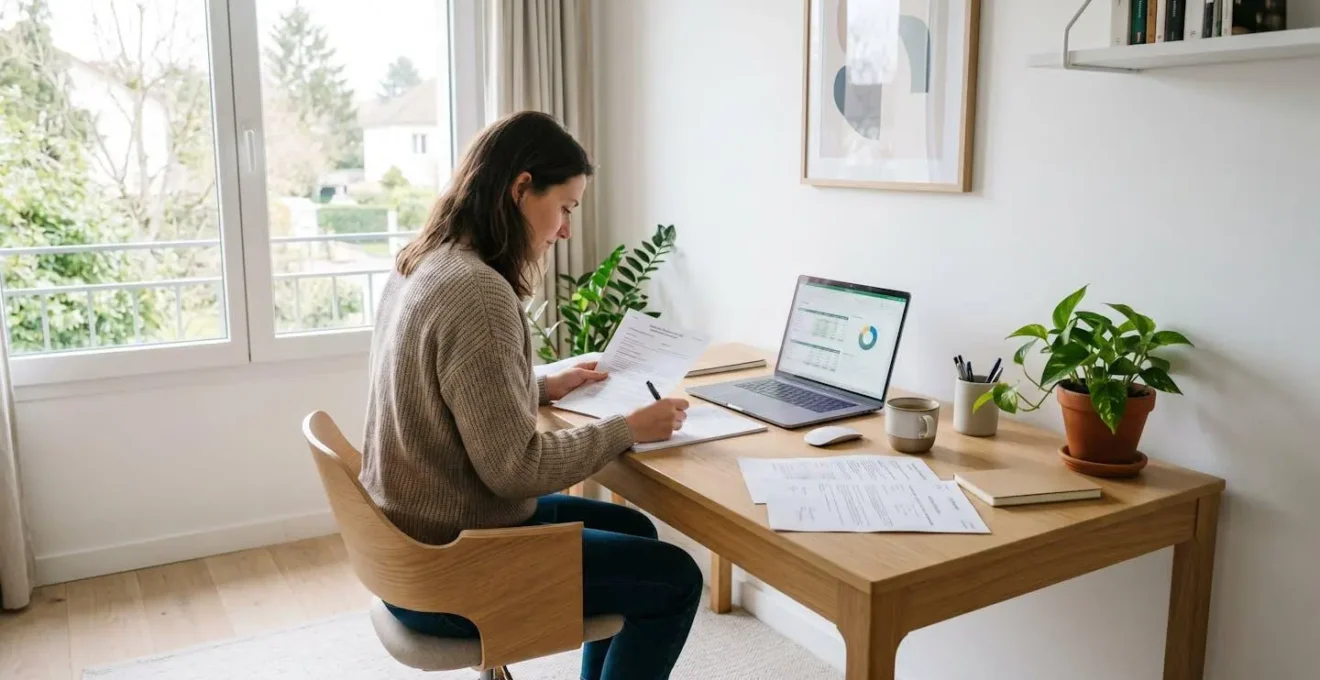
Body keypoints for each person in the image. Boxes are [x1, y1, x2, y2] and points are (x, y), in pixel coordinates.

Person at [360, 110, 703, 680]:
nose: (565, 229)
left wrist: (541, 386)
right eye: (564, 207)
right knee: (676, 578)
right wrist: (628, 429)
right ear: (521, 188)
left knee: (634, 532)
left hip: (415, 541)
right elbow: (514, 471)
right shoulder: (477, 292)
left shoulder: (425, 260)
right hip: (454, 563)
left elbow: (438, 392)